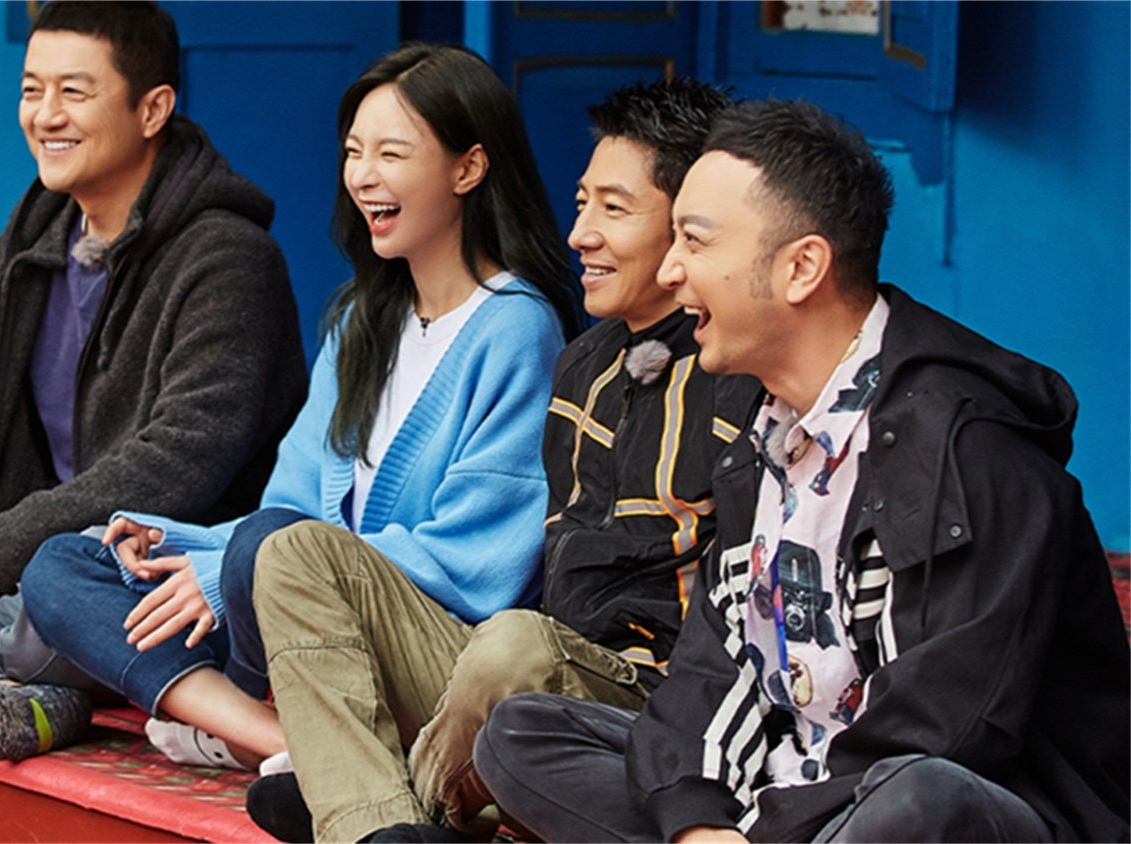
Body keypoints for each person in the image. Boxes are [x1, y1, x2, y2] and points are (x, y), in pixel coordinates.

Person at [475, 99, 1131, 844]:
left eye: (695, 240)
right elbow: (714, 666)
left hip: (944, 806)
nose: (672, 269)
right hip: (786, 793)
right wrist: (697, 823)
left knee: (919, 796)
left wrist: (762, 828)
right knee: (521, 735)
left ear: (802, 268)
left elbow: (950, 726)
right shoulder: (763, 432)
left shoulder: (965, 444)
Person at [18, 42, 578, 839]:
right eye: (353, 152)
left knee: (269, 546)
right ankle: (272, 735)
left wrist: (240, 568)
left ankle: (266, 730)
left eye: (391, 153)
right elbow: (288, 504)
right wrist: (186, 546)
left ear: (469, 167)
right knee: (67, 561)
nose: (364, 176)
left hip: (418, 640)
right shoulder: (360, 320)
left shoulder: (516, 328)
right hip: (291, 612)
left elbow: (477, 562)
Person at [0, 1, 307, 763]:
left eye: (74, 92)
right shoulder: (38, 233)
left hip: (142, 583)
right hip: (26, 579)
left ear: (152, 109)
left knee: (51, 581)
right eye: (32, 90)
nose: (45, 115)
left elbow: (177, 463)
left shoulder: (227, 259)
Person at [341, 78, 761, 842]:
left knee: (513, 650)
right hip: (542, 683)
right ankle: (392, 810)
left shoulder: (741, 379)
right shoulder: (583, 365)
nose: (581, 235)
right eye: (581, 203)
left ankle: (408, 811)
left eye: (614, 209)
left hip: (660, 704)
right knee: (291, 552)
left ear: (689, 228)